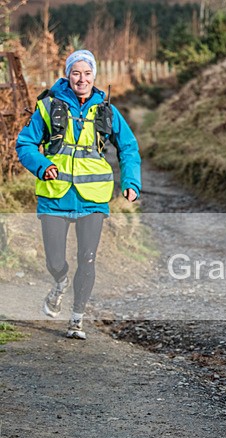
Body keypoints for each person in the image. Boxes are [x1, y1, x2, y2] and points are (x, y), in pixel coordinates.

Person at [16, 49, 141, 340]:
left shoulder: (107, 110)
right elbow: (25, 144)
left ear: (94, 76)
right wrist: (42, 165)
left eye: (87, 73)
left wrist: (131, 182)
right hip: (55, 196)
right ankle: (59, 283)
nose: (82, 79)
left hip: (93, 198)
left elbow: (129, 147)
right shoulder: (48, 106)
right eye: (76, 73)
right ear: (68, 75)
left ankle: (77, 318)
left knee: (88, 258)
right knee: (54, 261)